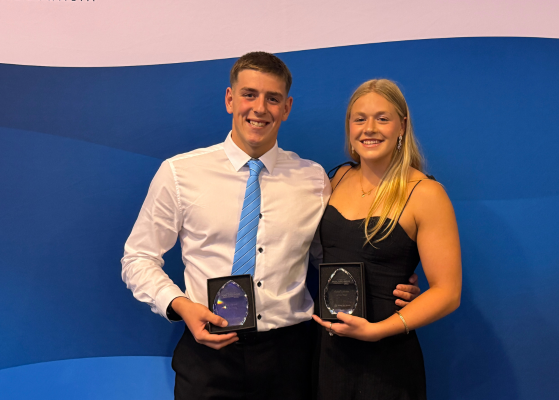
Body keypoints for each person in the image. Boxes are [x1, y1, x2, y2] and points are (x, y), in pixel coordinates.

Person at [121, 52, 420, 400]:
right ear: (230, 99)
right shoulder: (179, 173)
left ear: (286, 107)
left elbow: (331, 256)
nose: (259, 108)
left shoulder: (314, 179)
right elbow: (138, 258)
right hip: (208, 354)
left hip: (291, 356)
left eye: (272, 98)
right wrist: (180, 305)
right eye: (249, 94)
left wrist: (383, 285)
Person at [312, 79, 462, 400]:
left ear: (402, 127)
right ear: (349, 128)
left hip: (387, 361)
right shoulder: (336, 178)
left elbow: (448, 293)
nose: (370, 128)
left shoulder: (425, 194)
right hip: (329, 354)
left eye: (382, 118)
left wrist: (377, 331)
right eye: (360, 118)